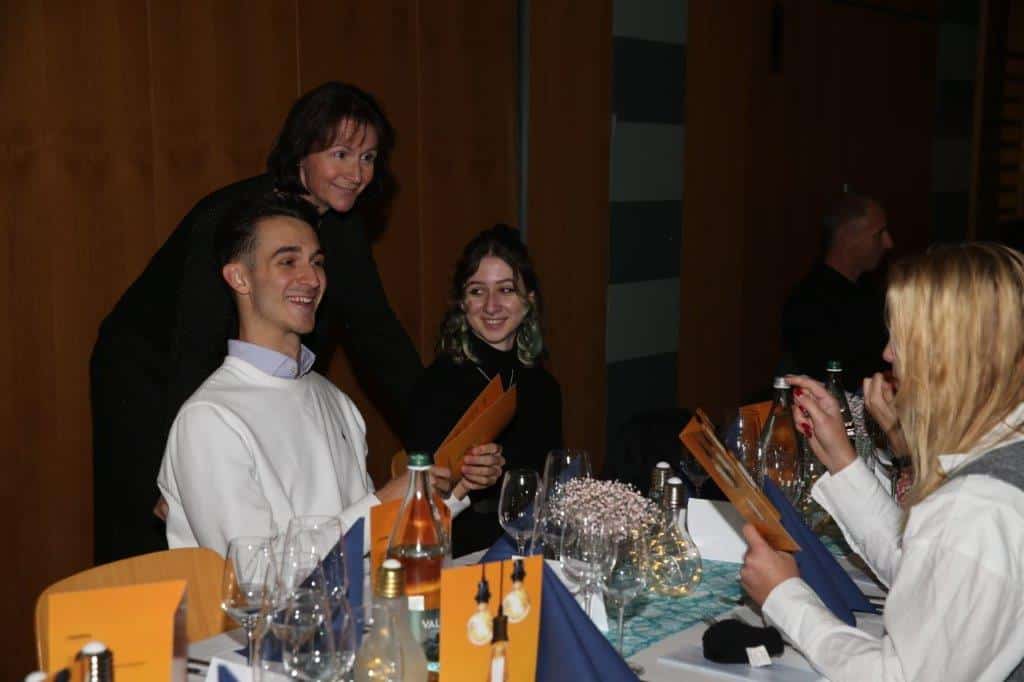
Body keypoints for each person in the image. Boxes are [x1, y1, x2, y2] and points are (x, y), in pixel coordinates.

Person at [91, 82, 423, 562]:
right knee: (148, 542)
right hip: (145, 381)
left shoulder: (342, 228)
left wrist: (438, 437)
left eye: (369, 158)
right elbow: (194, 340)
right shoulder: (236, 220)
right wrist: (172, 470)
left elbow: (380, 338)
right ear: (302, 153)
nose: (357, 173)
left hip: (224, 374)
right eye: (341, 154)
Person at [157, 195, 502, 555]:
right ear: (240, 278)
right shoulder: (209, 418)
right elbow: (253, 576)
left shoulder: (333, 399)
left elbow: (369, 553)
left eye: (317, 262)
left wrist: (455, 490)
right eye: (288, 261)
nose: (312, 278)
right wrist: (381, 503)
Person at [742, 243, 1024, 680]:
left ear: (952, 357)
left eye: (903, 338)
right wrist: (843, 463)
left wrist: (785, 598)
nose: (888, 354)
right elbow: (935, 581)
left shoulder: (978, 506)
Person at [405, 225, 563, 556]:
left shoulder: (543, 386)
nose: (492, 306)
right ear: (462, 304)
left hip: (532, 551)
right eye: (477, 291)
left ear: (529, 301)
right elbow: (418, 501)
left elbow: (552, 489)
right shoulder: (437, 384)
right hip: (459, 553)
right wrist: (463, 476)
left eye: (506, 290)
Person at [781, 194, 894, 391]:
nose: (888, 243)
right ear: (848, 236)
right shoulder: (810, 302)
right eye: (879, 234)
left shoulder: (872, 292)